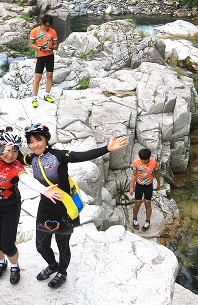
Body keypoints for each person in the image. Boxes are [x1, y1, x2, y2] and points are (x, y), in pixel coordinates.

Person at [23, 123, 127, 288]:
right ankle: (52, 265)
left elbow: (83, 155)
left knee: (62, 244)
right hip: (46, 206)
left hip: (64, 207)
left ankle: (62, 273)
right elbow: (12, 158)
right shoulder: (31, 158)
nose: (35, 144)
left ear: (46, 139)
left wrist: (107, 148)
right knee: (41, 245)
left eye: (38, 139)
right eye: (31, 141)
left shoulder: (59, 155)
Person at [0, 127, 62, 285]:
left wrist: (43, 190)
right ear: (0, 147)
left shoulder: (17, 168)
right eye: (7, 149)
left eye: (15, 151)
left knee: (7, 244)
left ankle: (14, 266)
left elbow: (27, 179)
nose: (10, 155)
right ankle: (1, 263)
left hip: (9, 207)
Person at [28, 14, 58, 108]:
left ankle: (47, 94)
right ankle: (34, 98)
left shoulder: (53, 32)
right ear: (42, 23)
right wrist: (40, 48)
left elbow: (56, 44)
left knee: (49, 75)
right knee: (38, 77)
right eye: (46, 25)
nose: (47, 27)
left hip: (50, 56)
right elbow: (31, 44)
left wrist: (52, 47)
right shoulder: (35, 31)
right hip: (40, 56)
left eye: (49, 26)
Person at [129, 148, 161, 232]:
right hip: (139, 185)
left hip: (148, 186)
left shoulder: (154, 163)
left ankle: (147, 222)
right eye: (142, 160)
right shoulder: (136, 163)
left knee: (148, 203)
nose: (143, 162)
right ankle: (135, 219)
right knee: (137, 203)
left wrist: (158, 183)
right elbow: (134, 175)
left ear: (149, 158)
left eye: (145, 160)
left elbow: (156, 173)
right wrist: (132, 187)